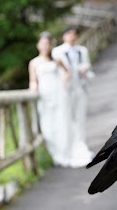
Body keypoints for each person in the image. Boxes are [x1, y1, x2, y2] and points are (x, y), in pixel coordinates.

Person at [52, 26, 94, 168]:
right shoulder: (57, 51)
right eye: (69, 34)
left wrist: (85, 71)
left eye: (74, 34)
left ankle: (81, 145)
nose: (72, 37)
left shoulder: (83, 51)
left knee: (81, 118)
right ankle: (69, 148)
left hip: (80, 88)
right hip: (65, 91)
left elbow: (88, 69)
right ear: (64, 36)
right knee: (68, 119)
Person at [28, 31, 71, 166]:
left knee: (60, 123)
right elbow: (33, 80)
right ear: (38, 45)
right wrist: (33, 87)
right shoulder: (33, 63)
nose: (46, 46)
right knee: (47, 125)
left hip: (58, 94)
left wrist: (63, 81)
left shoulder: (56, 59)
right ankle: (54, 153)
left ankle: (63, 152)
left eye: (48, 43)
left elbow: (68, 72)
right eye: (43, 43)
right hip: (45, 96)